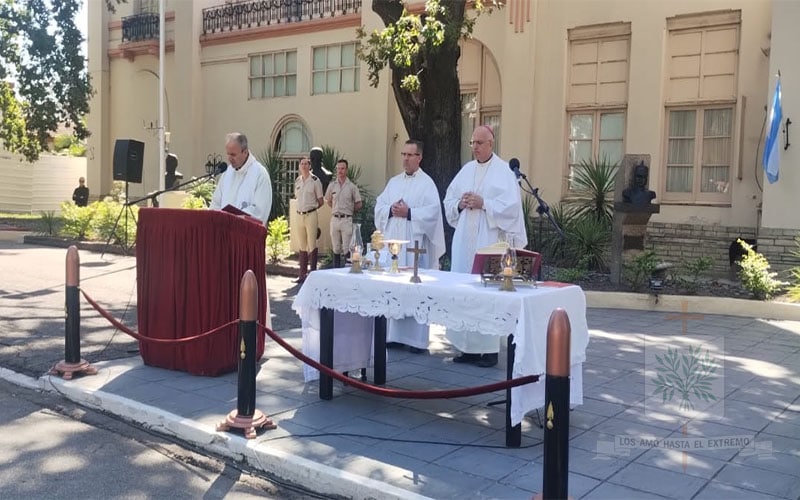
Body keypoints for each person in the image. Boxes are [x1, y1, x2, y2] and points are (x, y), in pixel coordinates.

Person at [442, 125, 527, 367]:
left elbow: (511, 208)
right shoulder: (466, 170)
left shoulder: (503, 172)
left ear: (491, 144)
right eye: (472, 143)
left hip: (489, 241)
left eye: (479, 143)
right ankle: (466, 348)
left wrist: (485, 203)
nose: (475, 147)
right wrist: (460, 203)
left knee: (486, 293)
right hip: (464, 242)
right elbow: (448, 200)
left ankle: (488, 351)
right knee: (464, 292)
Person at [374, 139, 446, 353]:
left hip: (414, 247)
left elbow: (433, 213)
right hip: (393, 244)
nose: (405, 159)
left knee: (414, 289)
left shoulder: (427, 184)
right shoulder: (394, 182)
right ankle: (393, 335)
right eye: (403, 154)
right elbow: (379, 204)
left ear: (419, 157)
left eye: (409, 155)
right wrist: (390, 210)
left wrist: (410, 213)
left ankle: (415, 340)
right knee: (393, 287)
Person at [210, 132, 272, 225]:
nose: (229, 158)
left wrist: (233, 219)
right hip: (223, 233)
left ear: (245, 152)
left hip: (246, 235)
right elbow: (216, 203)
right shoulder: (227, 173)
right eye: (228, 154)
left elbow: (260, 212)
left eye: (233, 155)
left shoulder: (260, 174)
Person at [324, 159, 362, 268]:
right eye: (338, 168)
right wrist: (336, 209)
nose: (340, 171)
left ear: (346, 170)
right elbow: (328, 200)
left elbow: (359, 203)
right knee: (336, 247)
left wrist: (349, 210)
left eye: (342, 168)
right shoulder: (332, 186)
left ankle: (347, 271)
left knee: (347, 247)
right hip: (335, 219)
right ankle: (336, 271)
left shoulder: (352, 187)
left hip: (346, 219)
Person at [294, 156, 324, 283]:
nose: (304, 166)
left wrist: (311, 209)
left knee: (312, 243)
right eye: (302, 164)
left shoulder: (315, 181)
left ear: (310, 166)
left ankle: (312, 273)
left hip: (311, 214)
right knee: (302, 245)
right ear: (299, 166)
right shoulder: (298, 181)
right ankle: (302, 274)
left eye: (306, 164)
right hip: (299, 215)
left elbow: (321, 201)